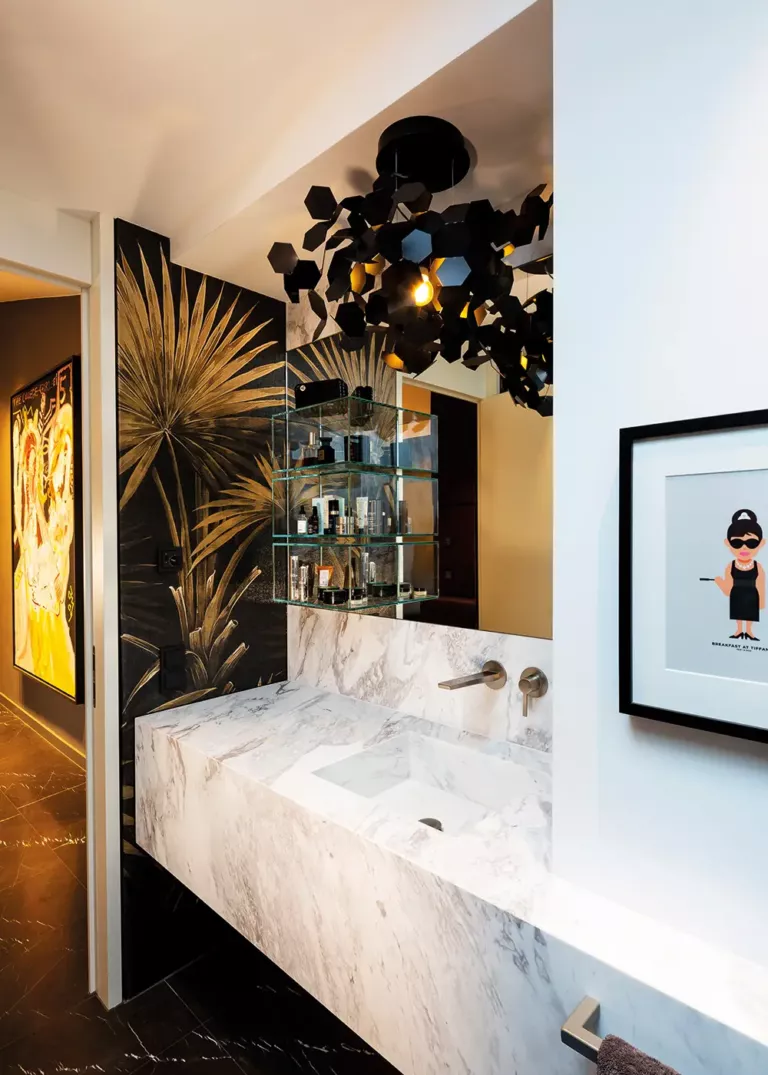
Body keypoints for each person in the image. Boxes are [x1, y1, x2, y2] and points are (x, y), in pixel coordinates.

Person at [714, 509, 766, 641]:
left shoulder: (758, 566)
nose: (744, 547)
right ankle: (738, 631)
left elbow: (761, 585)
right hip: (736, 593)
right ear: (728, 543)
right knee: (738, 613)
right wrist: (719, 582)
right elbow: (727, 589)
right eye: (737, 543)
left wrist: (761, 603)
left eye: (751, 543)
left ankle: (749, 631)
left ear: (761, 544)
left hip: (752, 594)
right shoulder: (730, 565)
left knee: (750, 614)